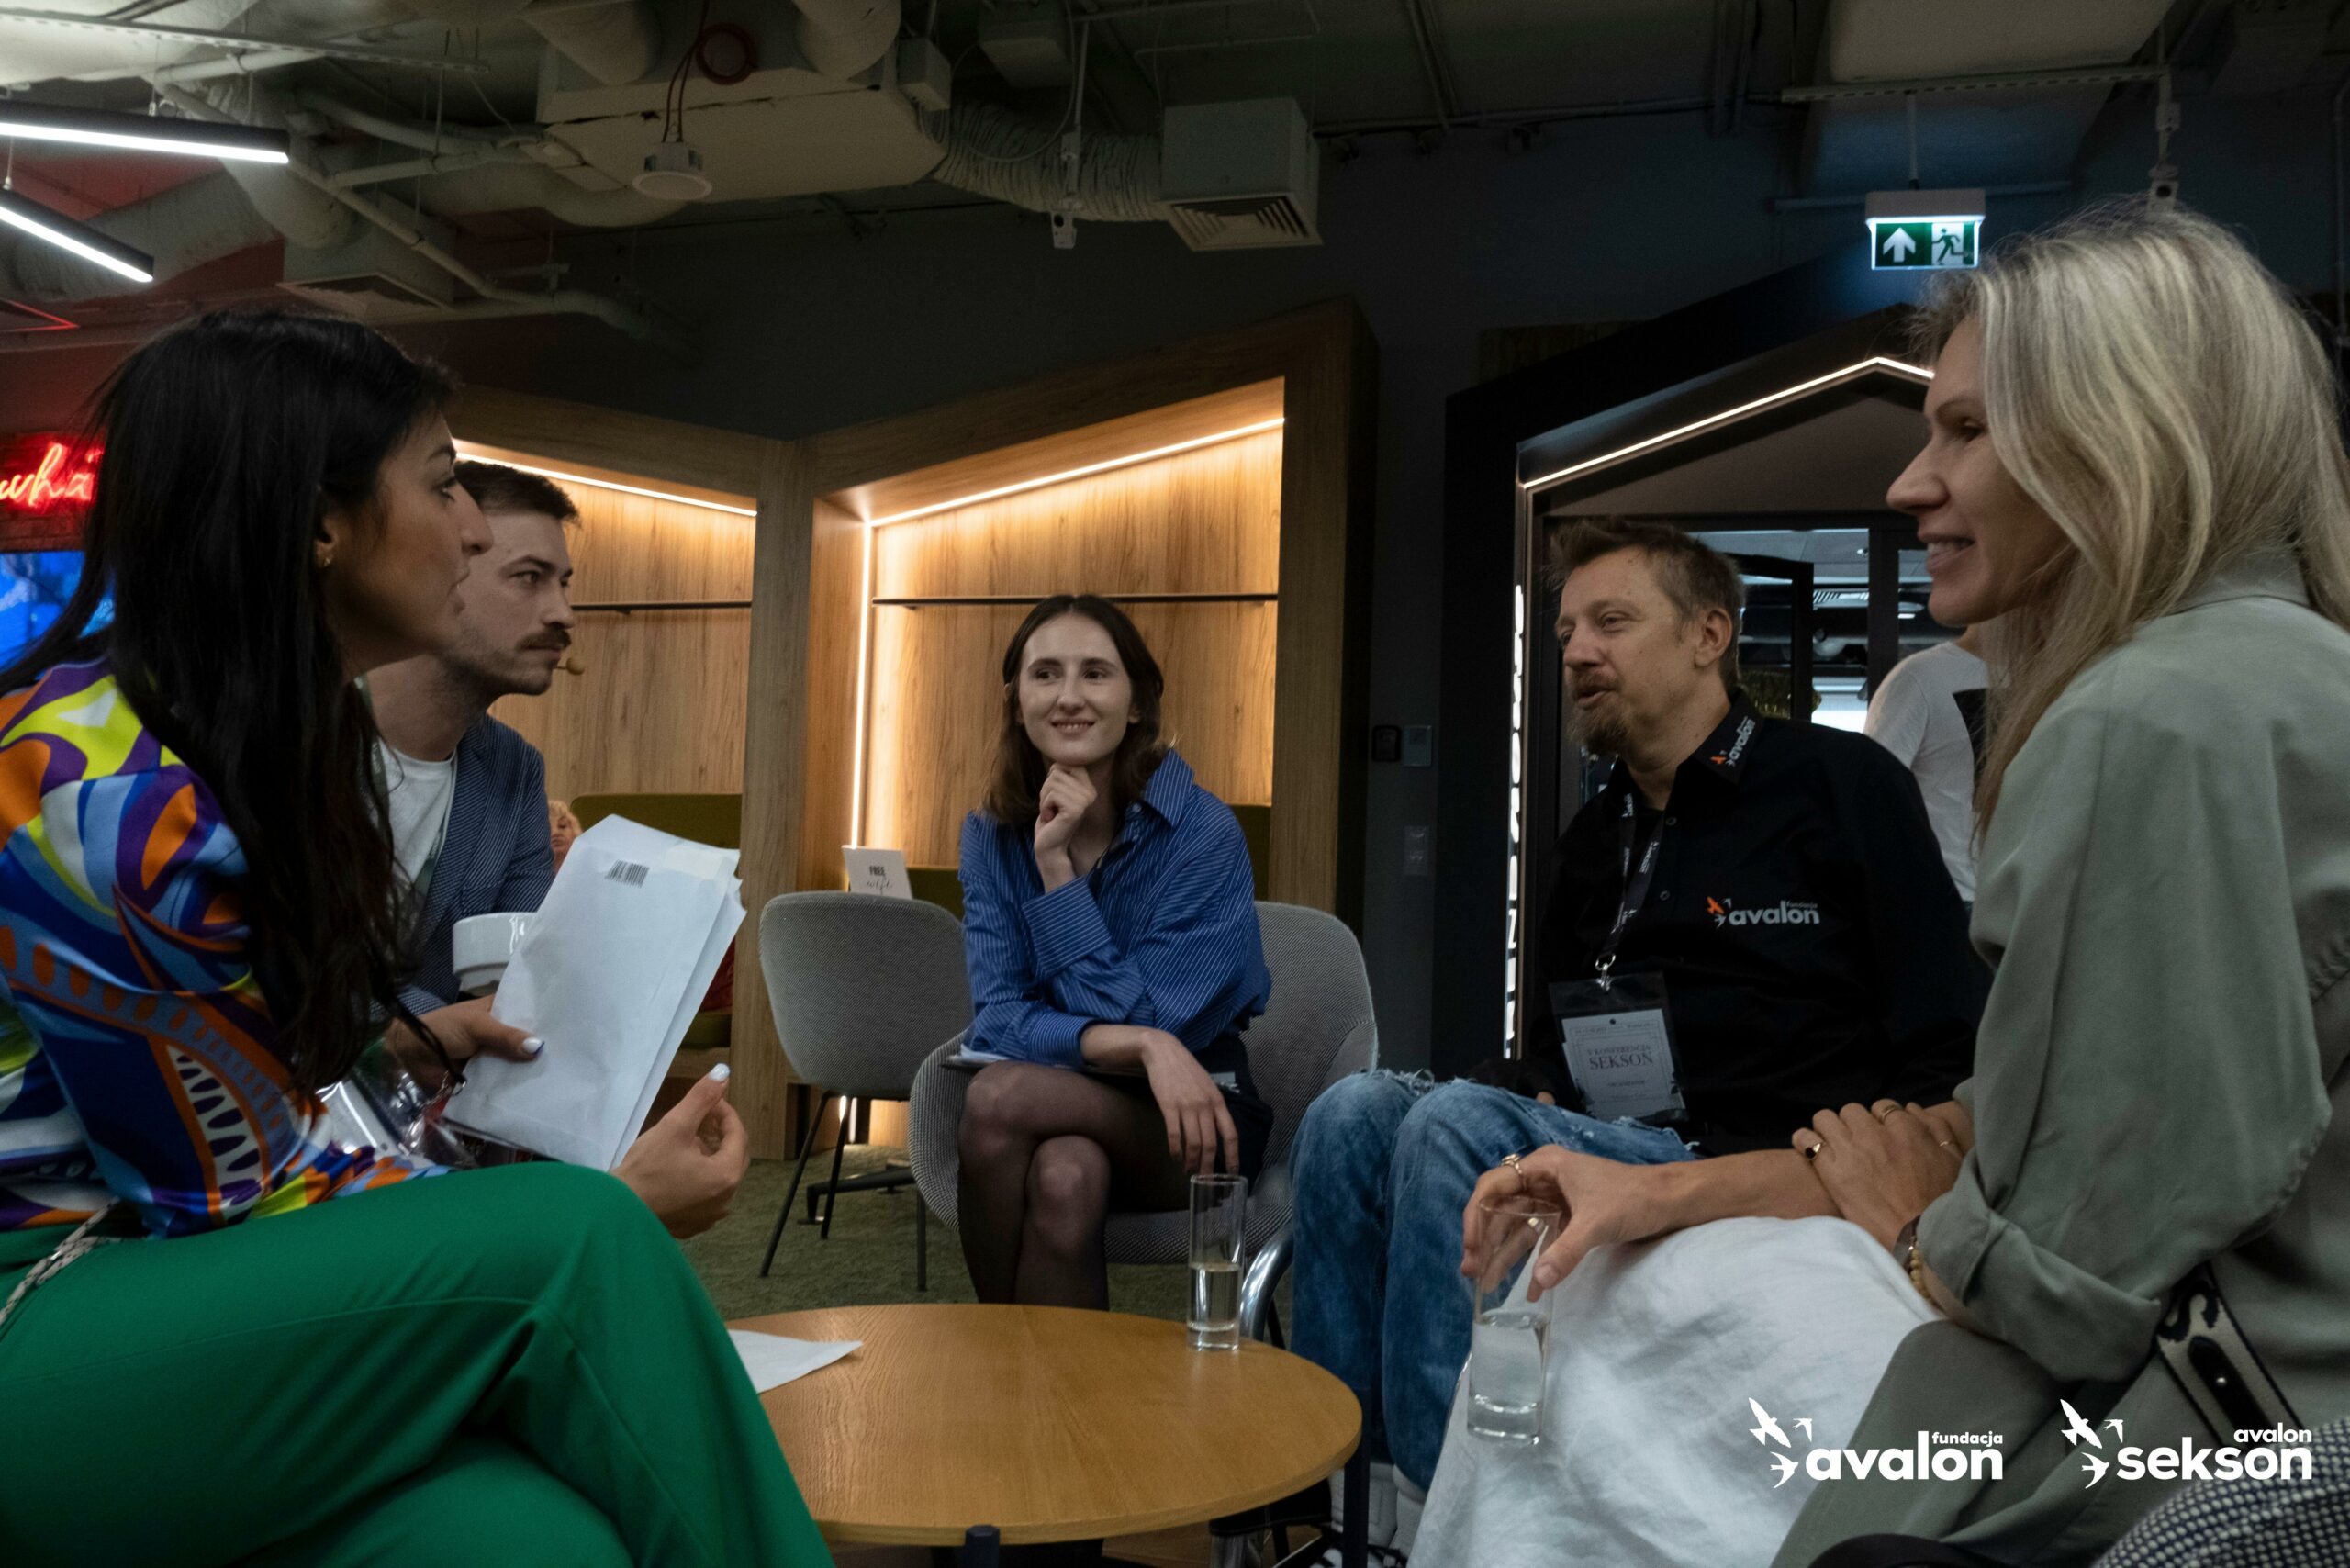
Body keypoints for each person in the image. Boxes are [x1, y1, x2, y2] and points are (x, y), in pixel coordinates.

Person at [1444, 202, 2350, 1568]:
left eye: (1967, 430)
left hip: (2189, 1467)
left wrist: (1918, 1221)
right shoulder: (2278, 674)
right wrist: (1677, 1191)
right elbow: (2071, 1119)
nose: (1910, 483)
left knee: (1600, 1354)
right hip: (2235, 1402)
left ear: (2125, 431)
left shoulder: (2145, 719)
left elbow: (2049, 1277)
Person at [0, 311, 828, 1567]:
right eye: (444, 484)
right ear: (319, 525)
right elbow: (226, 1193)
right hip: (45, 1304)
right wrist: (616, 1201)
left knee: (544, 1547)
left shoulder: (270, 744)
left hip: (160, 1297)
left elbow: (262, 1084)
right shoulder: (103, 795)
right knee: (578, 1240)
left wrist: (400, 1049)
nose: (478, 528)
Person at [1291, 521, 1983, 1562]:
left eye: (1610, 622)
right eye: (1567, 630)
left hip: (1751, 1148)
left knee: (1453, 1124)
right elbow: (1549, 1051)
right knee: (1353, 1112)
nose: (1577, 650)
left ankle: (1436, 1526)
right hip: (1613, 1131)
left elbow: (1944, 1032)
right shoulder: (1593, 837)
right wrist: (1528, 1087)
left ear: (1709, 634)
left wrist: (1891, 1157)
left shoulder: (1839, 785)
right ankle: (1345, 1508)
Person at [953, 594, 1274, 1310]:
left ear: (1136, 705)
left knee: (998, 1097)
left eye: (1095, 673)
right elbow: (997, 1018)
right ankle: (1040, 1381)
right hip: (1066, 1109)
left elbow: (1157, 1017)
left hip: (1196, 1114)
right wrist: (1145, 1046)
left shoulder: (1203, 833)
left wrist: (1058, 877)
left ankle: (991, 1347)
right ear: (1018, 704)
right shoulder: (990, 836)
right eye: (1045, 674)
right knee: (1065, 1176)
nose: (1068, 696)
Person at [1864, 622, 1987, 902]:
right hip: (1949, 897)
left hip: (2028, 900)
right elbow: (1869, 800)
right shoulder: (1921, 676)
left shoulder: (2052, 678)